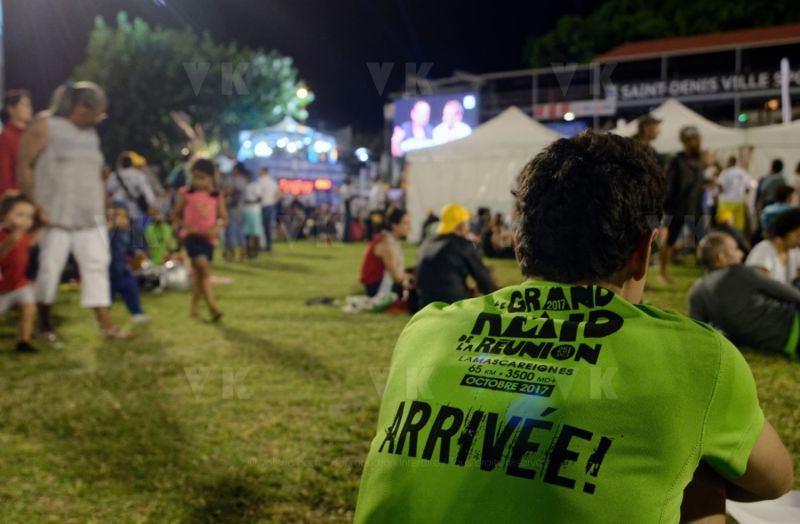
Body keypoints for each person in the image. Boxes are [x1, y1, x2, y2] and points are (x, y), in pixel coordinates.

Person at [354, 131, 793, 524]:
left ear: (522, 245)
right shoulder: (700, 358)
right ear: (642, 252)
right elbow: (774, 482)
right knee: (701, 477)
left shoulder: (427, 328)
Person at [17, 81, 129, 340]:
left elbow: (94, 175)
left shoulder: (90, 133)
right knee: (49, 269)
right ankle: (44, 322)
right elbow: (24, 165)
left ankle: (105, 324)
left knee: (97, 266)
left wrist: (106, 207)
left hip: (90, 215)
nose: (99, 118)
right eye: (97, 112)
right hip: (54, 215)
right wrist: (32, 206)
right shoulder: (45, 124)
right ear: (81, 107)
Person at [690, 232, 800, 358]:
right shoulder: (738, 272)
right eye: (735, 249)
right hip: (792, 324)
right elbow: (792, 295)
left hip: (776, 345)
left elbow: (698, 332)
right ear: (721, 258)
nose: (741, 254)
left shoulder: (696, 290)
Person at [172, 158, 226, 321]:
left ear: (211, 178)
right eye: (194, 177)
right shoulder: (185, 193)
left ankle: (193, 309)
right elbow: (175, 214)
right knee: (203, 268)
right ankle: (213, 307)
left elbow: (223, 217)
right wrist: (186, 226)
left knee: (199, 276)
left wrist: (216, 228)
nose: (197, 181)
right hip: (192, 238)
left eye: (202, 177)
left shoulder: (216, 196)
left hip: (208, 240)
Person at [416, 203, 496, 308]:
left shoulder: (427, 243)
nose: (469, 226)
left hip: (425, 306)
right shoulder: (463, 245)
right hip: (453, 306)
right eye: (467, 222)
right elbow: (484, 281)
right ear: (461, 224)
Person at [660, 125, 707, 284]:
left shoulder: (698, 160)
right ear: (687, 141)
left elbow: (699, 184)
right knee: (670, 241)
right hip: (677, 207)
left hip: (695, 207)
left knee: (700, 240)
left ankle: (706, 273)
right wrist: (667, 206)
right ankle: (663, 272)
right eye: (695, 139)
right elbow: (669, 184)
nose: (698, 142)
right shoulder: (676, 160)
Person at [0, 194, 40, 353]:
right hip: (2, 288)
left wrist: (30, 278)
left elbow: (28, 258)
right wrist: (10, 242)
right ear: (3, 215)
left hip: (18, 284)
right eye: (19, 215)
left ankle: (23, 342)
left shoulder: (26, 236)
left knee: (29, 309)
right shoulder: (3, 234)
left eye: (29, 217)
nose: (25, 220)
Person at [108, 203, 148, 323]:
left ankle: (136, 313)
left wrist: (136, 253)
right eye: (118, 216)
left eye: (125, 216)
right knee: (106, 296)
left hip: (122, 270)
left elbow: (130, 249)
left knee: (131, 287)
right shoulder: (107, 232)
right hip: (107, 272)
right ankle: (103, 317)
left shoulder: (125, 233)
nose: (123, 220)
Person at [359, 208, 411, 298]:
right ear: (394, 225)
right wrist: (414, 278)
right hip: (376, 287)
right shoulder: (386, 243)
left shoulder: (388, 238)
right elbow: (397, 277)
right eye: (405, 223)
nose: (409, 227)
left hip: (380, 282)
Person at [746, 208, 800, 286]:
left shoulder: (794, 252)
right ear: (786, 230)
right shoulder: (764, 250)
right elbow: (759, 286)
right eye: (798, 236)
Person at [106, 152, 156, 229]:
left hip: (119, 207)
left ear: (120, 164)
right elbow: (147, 192)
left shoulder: (114, 175)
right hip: (135, 208)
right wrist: (151, 205)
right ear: (131, 163)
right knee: (137, 230)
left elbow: (109, 188)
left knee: (122, 231)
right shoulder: (138, 175)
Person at [0, 89, 33, 195]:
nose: (29, 109)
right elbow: (4, 177)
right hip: (17, 199)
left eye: (29, 105)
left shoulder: (32, 136)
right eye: (24, 105)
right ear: (11, 109)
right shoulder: (5, 137)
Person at [716, 155, 751, 231]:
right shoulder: (743, 172)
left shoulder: (725, 172)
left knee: (724, 224)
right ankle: (736, 240)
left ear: (729, 162)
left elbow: (720, 186)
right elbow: (748, 188)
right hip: (739, 202)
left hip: (726, 202)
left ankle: (725, 240)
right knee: (738, 226)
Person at [223, 162, 248, 261]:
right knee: (240, 231)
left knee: (231, 232)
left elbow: (229, 192)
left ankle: (232, 254)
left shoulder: (234, 180)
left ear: (236, 170)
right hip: (241, 209)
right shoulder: (243, 180)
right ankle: (242, 253)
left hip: (233, 209)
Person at [243, 167, 264, 258]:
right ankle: (248, 251)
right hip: (246, 212)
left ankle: (256, 252)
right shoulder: (245, 186)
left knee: (255, 233)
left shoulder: (256, 185)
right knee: (247, 233)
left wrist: (249, 202)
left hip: (255, 212)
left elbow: (260, 199)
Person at [257, 166, 279, 252]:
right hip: (270, 205)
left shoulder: (260, 181)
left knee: (260, 226)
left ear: (263, 172)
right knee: (267, 227)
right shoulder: (272, 181)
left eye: (259, 170)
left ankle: (260, 245)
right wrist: (273, 201)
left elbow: (258, 195)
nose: (258, 172)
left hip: (261, 206)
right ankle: (268, 246)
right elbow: (280, 193)